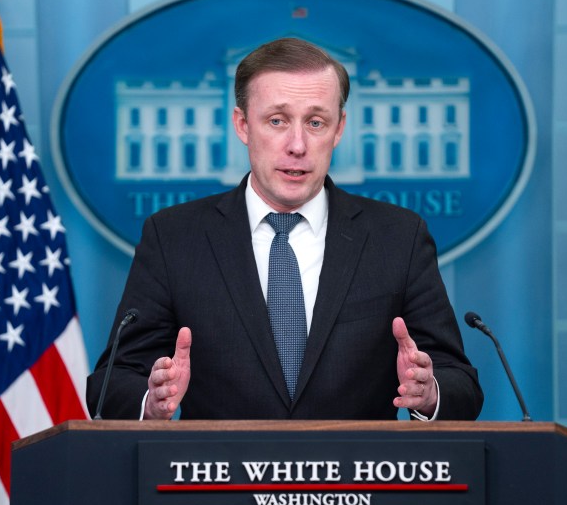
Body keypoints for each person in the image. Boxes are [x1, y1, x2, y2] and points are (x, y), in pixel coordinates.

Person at [86, 37, 483, 421]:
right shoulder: (174, 238)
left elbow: (460, 382)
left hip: (358, 483)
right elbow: (112, 382)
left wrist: (429, 393)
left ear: (339, 128)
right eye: (277, 120)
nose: (297, 145)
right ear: (242, 125)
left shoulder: (399, 238)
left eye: (315, 122)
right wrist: (151, 401)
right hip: (216, 482)